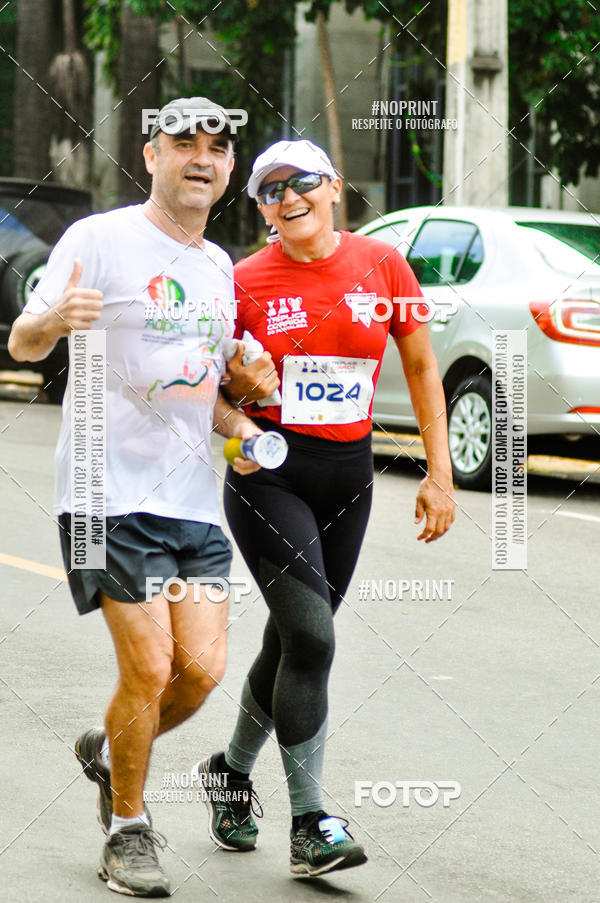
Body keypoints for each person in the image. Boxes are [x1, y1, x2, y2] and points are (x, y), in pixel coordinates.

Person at [8, 97, 264, 898]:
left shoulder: (219, 268)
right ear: (150, 154)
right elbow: (21, 339)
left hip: (191, 497)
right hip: (102, 491)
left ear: (226, 170)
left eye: (216, 147)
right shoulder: (99, 238)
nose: (201, 155)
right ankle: (127, 827)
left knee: (201, 670)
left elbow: (211, 387)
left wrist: (243, 425)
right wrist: (53, 316)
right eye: (182, 141)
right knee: (150, 665)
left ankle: (110, 746)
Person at [196, 138, 456, 877]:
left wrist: (439, 473)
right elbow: (206, 393)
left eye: (302, 182)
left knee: (291, 641)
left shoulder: (384, 266)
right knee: (312, 637)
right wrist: (241, 392)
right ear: (260, 207)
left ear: (334, 186)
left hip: (349, 476)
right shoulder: (241, 280)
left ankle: (229, 770)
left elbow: (420, 365)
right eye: (270, 191)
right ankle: (312, 822)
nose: (288, 198)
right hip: (268, 473)